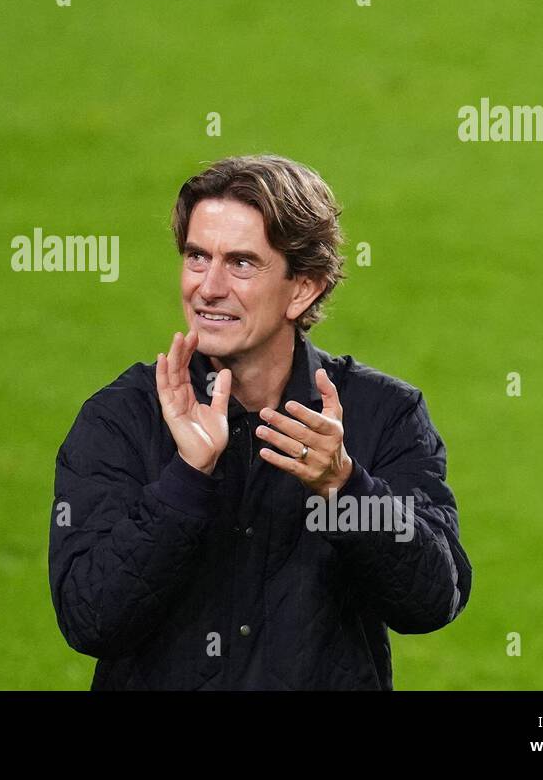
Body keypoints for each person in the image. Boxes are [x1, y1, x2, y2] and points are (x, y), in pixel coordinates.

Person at [48, 154, 472, 689]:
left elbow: (432, 601)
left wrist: (344, 488)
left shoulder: (383, 414)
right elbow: (90, 620)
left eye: (242, 263)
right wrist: (185, 480)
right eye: (197, 257)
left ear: (303, 288)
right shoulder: (122, 418)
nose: (209, 287)